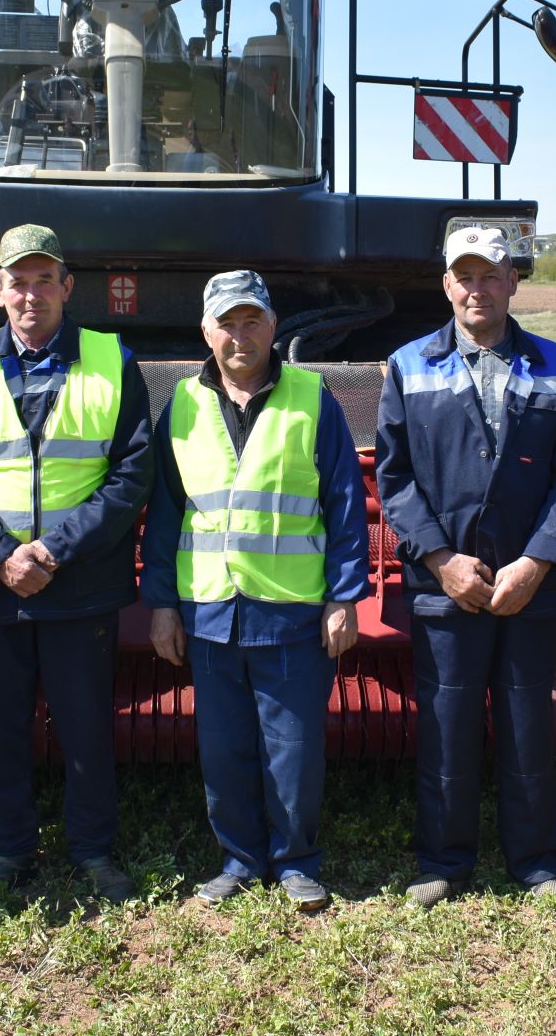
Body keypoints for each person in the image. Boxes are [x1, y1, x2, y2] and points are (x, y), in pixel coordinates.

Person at [0, 224, 154, 902]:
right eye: (17, 281)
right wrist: (0, 557)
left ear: (67, 287)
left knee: (86, 726)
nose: (31, 294)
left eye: (44, 279)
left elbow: (131, 473)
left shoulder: (113, 360)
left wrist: (53, 550)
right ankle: (11, 850)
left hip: (79, 581)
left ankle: (92, 850)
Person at [374, 226, 556, 912]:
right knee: (447, 726)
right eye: (463, 276)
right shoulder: (409, 365)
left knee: (528, 726)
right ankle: (444, 860)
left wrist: (537, 561)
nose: (476, 288)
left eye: (490, 275)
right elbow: (395, 476)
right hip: (448, 588)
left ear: (513, 282)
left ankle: (536, 864)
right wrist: (440, 560)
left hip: (531, 586)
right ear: (446, 285)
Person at [142, 271, 369, 911]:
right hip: (210, 611)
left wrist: (344, 597)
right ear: (206, 331)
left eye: (252, 322)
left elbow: (344, 505)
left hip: (291, 611)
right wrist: (162, 604)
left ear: (273, 327)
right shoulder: (181, 405)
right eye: (226, 323)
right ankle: (239, 860)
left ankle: (296, 863)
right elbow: (166, 514)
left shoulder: (314, 399)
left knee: (293, 750)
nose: (239, 335)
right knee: (224, 749)